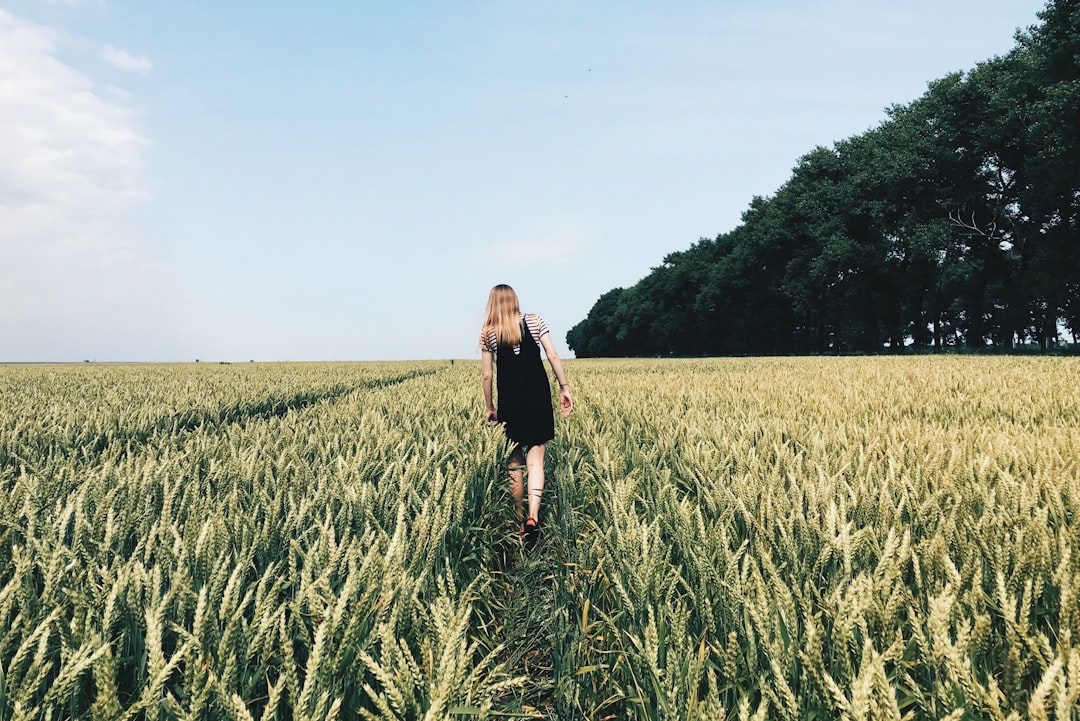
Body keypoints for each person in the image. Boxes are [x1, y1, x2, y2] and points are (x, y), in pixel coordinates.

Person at [479, 284, 573, 545]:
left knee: (514, 463)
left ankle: (520, 520)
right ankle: (533, 515)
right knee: (536, 460)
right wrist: (564, 388)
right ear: (515, 300)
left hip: (511, 402)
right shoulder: (534, 320)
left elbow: (487, 375)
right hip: (538, 398)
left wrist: (490, 408)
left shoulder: (488, 333)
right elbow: (552, 354)